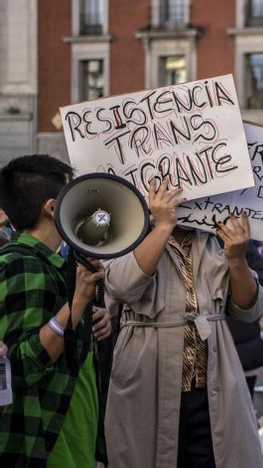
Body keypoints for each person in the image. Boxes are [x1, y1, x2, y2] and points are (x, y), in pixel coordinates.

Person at [103, 179, 263, 468]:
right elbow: (122, 288)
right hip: (148, 381)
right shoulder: (127, 232)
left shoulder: (219, 235)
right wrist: (163, 226)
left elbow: (248, 310)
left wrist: (237, 259)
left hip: (211, 386)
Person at [0, 155, 112, 467]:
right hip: (46, 444)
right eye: (72, 196)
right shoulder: (21, 264)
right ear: (52, 208)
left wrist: (88, 318)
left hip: (72, 436)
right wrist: (77, 303)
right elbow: (20, 365)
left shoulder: (56, 265)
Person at [227, 241, 263, 398]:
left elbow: (262, 298)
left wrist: (237, 259)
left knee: (242, 415)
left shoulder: (242, 244)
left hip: (243, 352)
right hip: (196, 359)